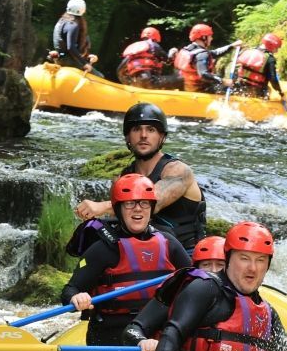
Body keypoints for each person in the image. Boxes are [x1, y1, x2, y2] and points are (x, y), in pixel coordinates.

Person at [129, 222, 287, 351]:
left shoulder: (268, 312)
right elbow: (174, 330)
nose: (253, 268)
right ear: (228, 258)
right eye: (244, 258)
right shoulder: (205, 288)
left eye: (260, 260)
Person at [61, 175, 191, 351]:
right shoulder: (103, 249)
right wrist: (76, 298)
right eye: (130, 204)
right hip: (111, 335)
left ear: (151, 207)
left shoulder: (168, 243)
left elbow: (195, 282)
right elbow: (70, 289)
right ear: (119, 209)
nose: (138, 209)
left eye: (144, 203)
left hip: (155, 329)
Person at [73, 102, 207, 250]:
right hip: (143, 255)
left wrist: (102, 206)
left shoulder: (179, 171)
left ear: (161, 136)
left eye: (151, 130)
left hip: (187, 255)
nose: (143, 135)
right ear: (128, 137)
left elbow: (152, 202)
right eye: (137, 129)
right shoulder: (122, 178)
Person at [125, 235, 228, 351]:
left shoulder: (243, 299)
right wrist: (143, 341)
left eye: (220, 265)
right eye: (206, 265)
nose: (213, 271)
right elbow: (132, 329)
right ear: (196, 268)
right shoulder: (176, 293)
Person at [172, 23, 242, 94]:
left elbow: (215, 53)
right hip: (199, 90)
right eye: (210, 36)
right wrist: (223, 81)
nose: (211, 38)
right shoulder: (201, 54)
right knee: (234, 88)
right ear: (204, 37)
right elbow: (203, 74)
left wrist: (232, 46)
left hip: (186, 87)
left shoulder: (188, 49)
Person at [232, 33, 285, 100]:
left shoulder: (249, 51)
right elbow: (273, 79)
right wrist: (280, 92)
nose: (277, 51)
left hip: (239, 86)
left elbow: (237, 69)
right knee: (268, 90)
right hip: (256, 90)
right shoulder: (269, 59)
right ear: (271, 46)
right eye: (276, 48)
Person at [52, 0, 96, 71]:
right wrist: (85, 63)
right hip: (68, 61)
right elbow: (71, 48)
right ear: (83, 10)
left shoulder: (62, 20)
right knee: (100, 76)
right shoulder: (73, 25)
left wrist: (88, 57)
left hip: (61, 57)